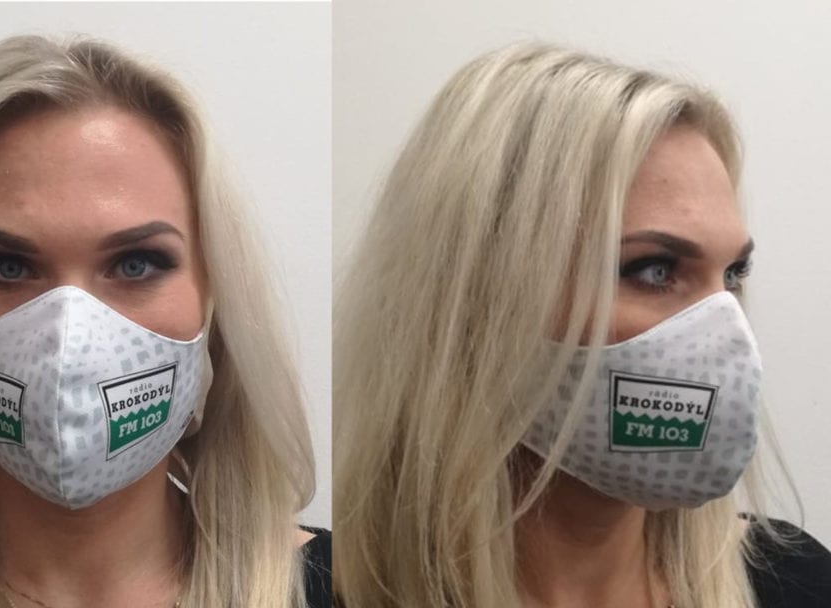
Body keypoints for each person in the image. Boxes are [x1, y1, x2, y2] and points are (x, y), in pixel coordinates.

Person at [0, 35, 330, 608]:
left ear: (213, 300)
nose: (68, 337)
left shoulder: (329, 585)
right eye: (6, 266)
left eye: (136, 263)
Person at [333, 42, 830, 607]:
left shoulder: (793, 582)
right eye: (654, 269)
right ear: (475, 300)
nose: (727, 333)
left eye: (733, 275)